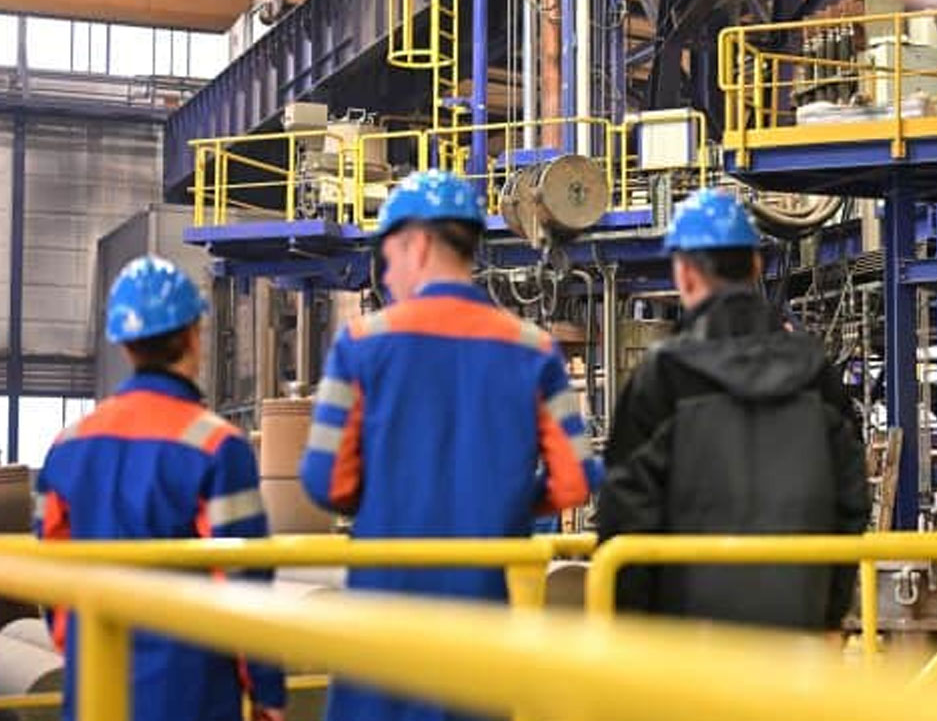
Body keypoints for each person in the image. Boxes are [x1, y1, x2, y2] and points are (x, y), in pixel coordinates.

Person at [300, 170, 592, 721]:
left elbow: (324, 480)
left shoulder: (359, 345)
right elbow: (575, 481)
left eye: (388, 258)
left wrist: (390, 500)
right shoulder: (534, 350)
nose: (387, 275)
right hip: (482, 621)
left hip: (382, 615)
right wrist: (506, 502)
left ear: (417, 244)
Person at [597, 188, 870, 630]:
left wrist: (633, 630)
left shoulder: (664, 376)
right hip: (797, 632)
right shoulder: (814, 370)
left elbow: (626, 515)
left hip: (687, 645)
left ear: (685, 274)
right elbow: (852, 500)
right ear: (756, 266)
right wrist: (829, 612)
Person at [34, 255, 285, 721]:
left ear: (125, 345)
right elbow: (244, 581)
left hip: (95, 689)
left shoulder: (67, 446)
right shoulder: (217, 446)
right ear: (193, 336)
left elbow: (50, 574)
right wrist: (267, 691)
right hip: (192, 695)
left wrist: (86, 647)